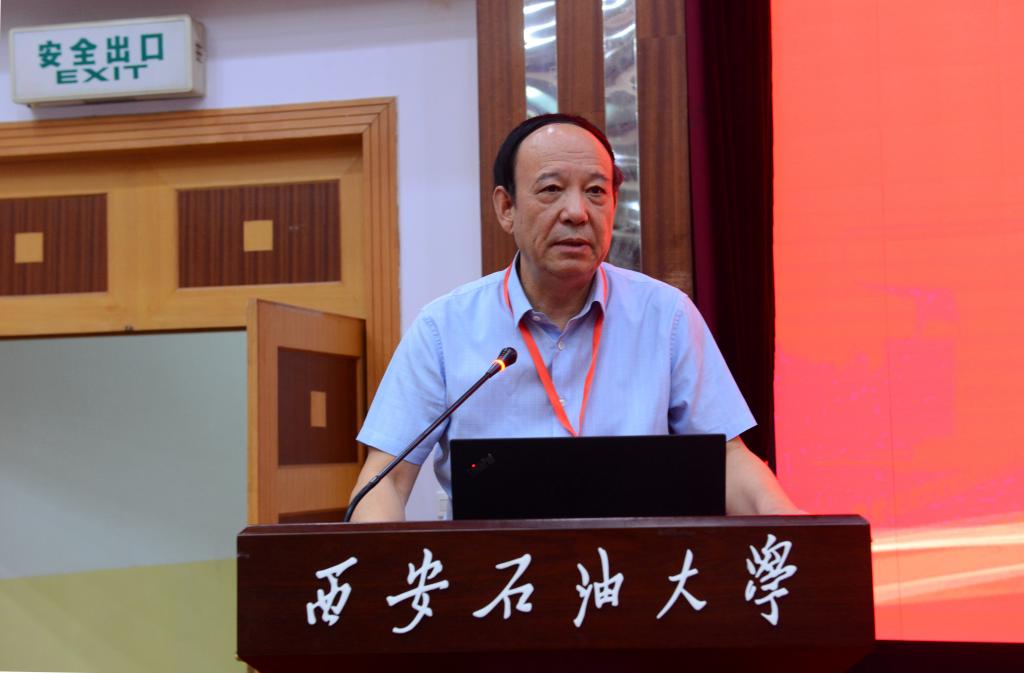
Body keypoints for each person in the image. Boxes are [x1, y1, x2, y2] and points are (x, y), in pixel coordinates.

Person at [349, 113, 800, 522]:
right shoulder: (444, 328)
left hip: (637, 573)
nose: (577, 212)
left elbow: (728, 459)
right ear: (506, 208)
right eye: (551, 190)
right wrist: (378, 565)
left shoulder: (666, 317)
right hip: (499, 577)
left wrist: (795, 532)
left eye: (596, 192)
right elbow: (386, 478)